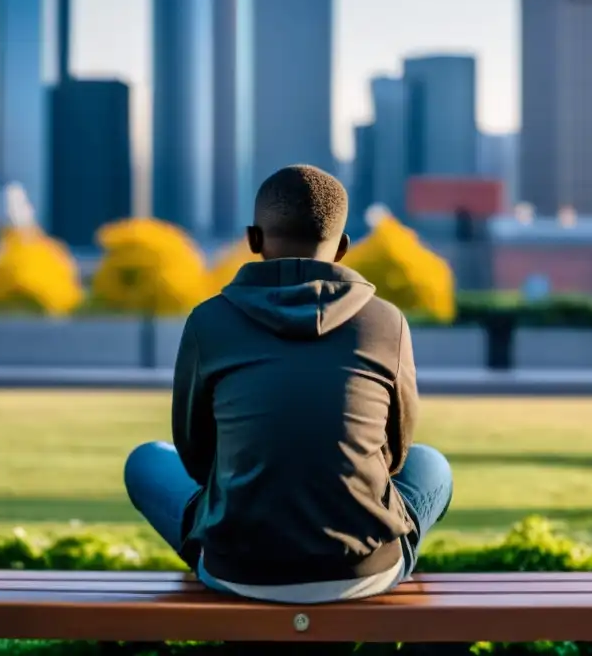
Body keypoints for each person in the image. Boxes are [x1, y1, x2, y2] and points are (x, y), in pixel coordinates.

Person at [124, 164, 453, 604]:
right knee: (432, 466)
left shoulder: (209, 321)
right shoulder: (385, 322)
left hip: (238, 567)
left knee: (146, 462)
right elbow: (395, 456)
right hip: (363, 570)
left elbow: (197, 457)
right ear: (342, 248)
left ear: (253, 239)